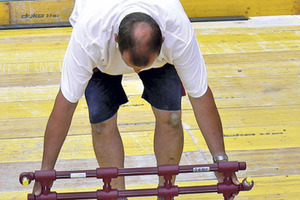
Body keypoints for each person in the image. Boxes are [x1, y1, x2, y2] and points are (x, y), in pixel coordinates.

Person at [33, 0, 239, 199]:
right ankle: (115, 194)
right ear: (115, 39)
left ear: (163, 40)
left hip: (159, 55)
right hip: (102, 50)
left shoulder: (177, 31)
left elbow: (200, 96)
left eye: (143, 65)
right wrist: (46, 170)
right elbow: (66, 105)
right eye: (131, 64)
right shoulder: (89, 36)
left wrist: (220, 161)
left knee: (172, 118)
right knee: (101, 124)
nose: (137, 71)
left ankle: (166, 190)